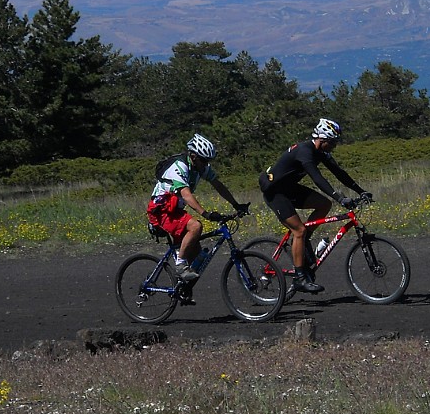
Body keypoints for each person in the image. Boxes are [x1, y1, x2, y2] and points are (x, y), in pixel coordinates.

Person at [259, 118, 371, 294]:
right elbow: (317, 178)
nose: (334, 146)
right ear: (322, 140)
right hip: (276, 193)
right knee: (299, 231)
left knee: (323, 204)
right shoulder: (305, 152)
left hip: (289, 189)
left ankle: (304, 243)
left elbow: (339, 173)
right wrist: (339, 198)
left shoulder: (321, 152)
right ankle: (300, 278)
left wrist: (361, 191)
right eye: (333, 143)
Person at [147, 133, 249, 303]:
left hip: (174, 210)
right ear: (193, 156)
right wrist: (205, 213)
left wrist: (236, 204)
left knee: (198, 257)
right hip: (161, 211)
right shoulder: (179, 167)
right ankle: (180, 264)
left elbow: (218, 185)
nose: (206, 165)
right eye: (204, 160)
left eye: (208, 161)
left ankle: (183, 290)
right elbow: (186, 195)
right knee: (195, 226)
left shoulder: (200, 166)